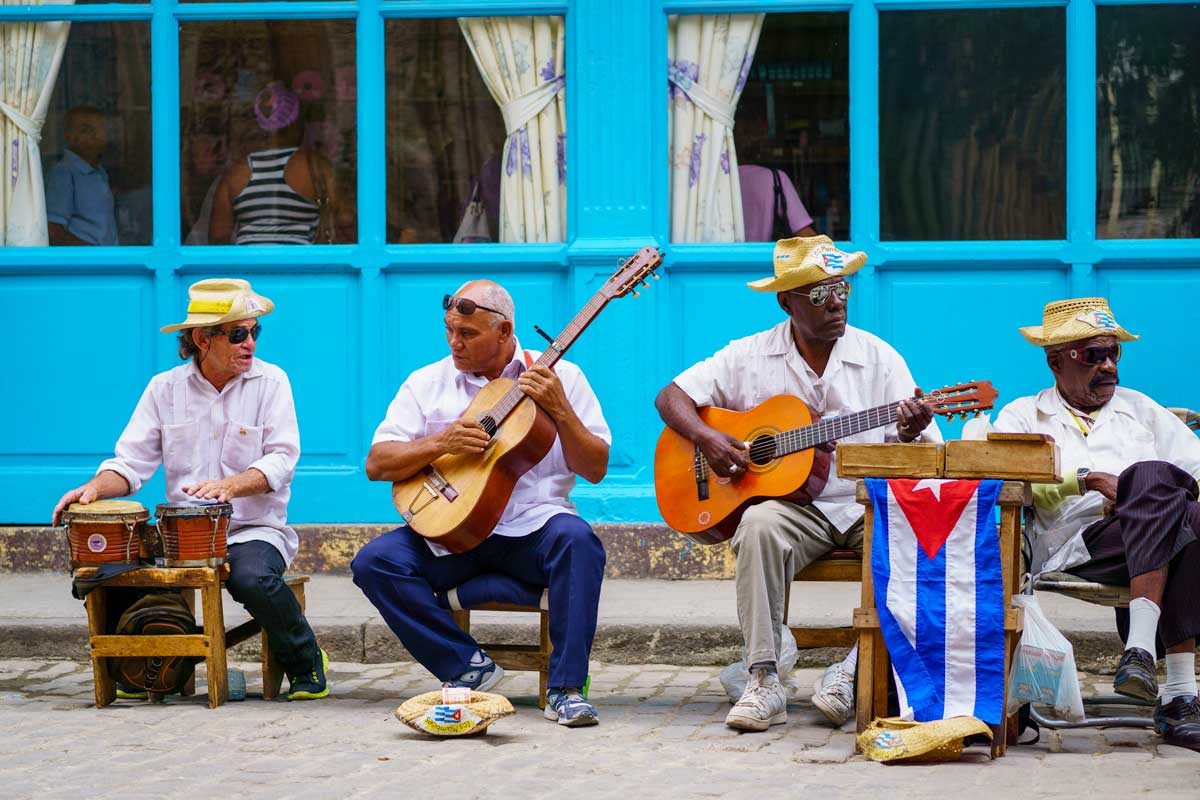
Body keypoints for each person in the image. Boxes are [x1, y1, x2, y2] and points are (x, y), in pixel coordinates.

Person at [654, 235, 941, 731]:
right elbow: (670, 397)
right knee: (758, 525)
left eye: (842, 288)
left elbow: (929, 456)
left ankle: (856, 669)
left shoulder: (879, 358)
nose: (836, 302)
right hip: (794, 509)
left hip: (861, 503)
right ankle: (763, 678)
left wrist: (911, 431)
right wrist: (710, 441)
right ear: (786, 301)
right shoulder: (746, 355)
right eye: (818, 294)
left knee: (915, 532)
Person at [51, 278, 329, 701]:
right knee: (110, 569)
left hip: (252, 529)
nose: (250, 342)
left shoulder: (272, 382)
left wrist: (230, 486)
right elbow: (129, 464)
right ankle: (139, 668)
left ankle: (306, 660)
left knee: (253, 577)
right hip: (181, 536)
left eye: (255, 331)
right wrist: (92, 488)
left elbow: (282, 459)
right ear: (202, 338)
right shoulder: (165, 389)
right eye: (238, 334)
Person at [352, 280, 611, 727]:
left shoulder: (562, 377)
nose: (455, 342)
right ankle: (465, 664)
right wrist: (440, 442)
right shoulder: (426, 382)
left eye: (468, 334)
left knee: (579, 542)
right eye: (450, 330)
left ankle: (565, 689)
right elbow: (377, 464)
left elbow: (596, 467)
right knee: (374, 562)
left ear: (506, 330)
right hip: (453, 534)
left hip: (534, 530)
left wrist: (561, 409)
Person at [992, 297, 1200, 751]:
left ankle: (1143, 656)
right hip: (1078, 546)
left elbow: (1196, 469)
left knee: (1173, 503)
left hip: (1150, 538)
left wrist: (1140, 497)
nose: (1108, 366)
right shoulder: (1023, 415)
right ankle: (1180, 694)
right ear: (1055, 361)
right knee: (1149, 479)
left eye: (1113, 354)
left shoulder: (1140, 408)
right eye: (1093, 355)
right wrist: (1085, 481)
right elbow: (1011, 479)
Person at [208, 82, 340, 245]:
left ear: (259, 123)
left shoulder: (237, 173)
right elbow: (344, 219)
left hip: (249, 268)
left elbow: (218, 235)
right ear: (297, 122)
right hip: (302, 268)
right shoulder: (316, 166)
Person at [45, 106, 119, 246]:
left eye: (101, 129)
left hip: (108, 261)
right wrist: (93, 254)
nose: (97, 135)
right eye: (86, 130)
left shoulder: (99, 171)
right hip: (86, 264)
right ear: (68, 137)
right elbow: (54, 230)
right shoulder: (64, 173)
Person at [738, 164, 817, 242]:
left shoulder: (727, 180)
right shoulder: (775, 179)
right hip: (768, 254)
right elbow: (806, 234)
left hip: (728, 254)